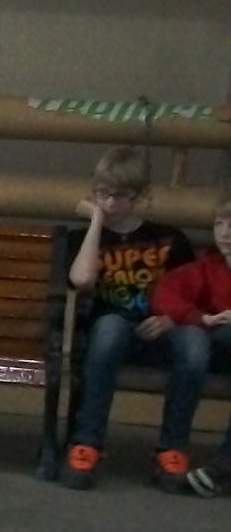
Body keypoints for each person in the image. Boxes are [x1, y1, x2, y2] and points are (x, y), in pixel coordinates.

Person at [59, 145, 198, 492]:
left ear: (141, 196)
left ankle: (172, 449)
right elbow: (82, 280)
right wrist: (95, 222)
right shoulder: (87, 237)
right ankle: (88, 442)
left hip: (161, 331)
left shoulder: (170, 238)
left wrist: (170, 319)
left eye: (120, 196)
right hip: (110, 335)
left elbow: (192, 293)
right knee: (109, 328)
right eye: (101, 194)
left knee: (195, 346)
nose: (109, 203)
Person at [151, 195, 231, 496]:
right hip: (216, 350)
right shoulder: (207, 268)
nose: (225, 233)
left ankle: (227, 463)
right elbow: (164, 294)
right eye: (219, 224)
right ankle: (180, 452)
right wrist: (200, 318)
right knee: (194, 345)